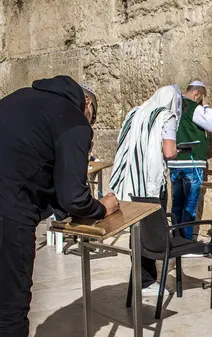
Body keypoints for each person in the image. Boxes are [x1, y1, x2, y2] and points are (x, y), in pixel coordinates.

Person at [0, 76, 120, 337]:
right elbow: (73, 197)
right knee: (10, 307)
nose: (91, 123)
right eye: (93, 117)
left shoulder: (19, 97)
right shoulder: (74, 120)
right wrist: (103, 207)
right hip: (9, 211)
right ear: (86, 102)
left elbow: (34, 161)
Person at [109, 84, 182, 296]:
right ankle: (147, 281)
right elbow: (168, 152)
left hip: (130, 180)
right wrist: (176, 150)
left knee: (137, 230)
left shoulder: (135, 113)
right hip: (150, 182)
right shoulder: (166, 116)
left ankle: (139, 276)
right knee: (152, 231)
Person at [167, 81, 212, 241]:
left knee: (177, 203)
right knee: (190, 205)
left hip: (175, 163)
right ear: (197, 94)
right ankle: (187, 241)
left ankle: (176, 237)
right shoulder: (194, 107)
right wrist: (207, 107)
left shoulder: (174, 107)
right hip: (191, 162)